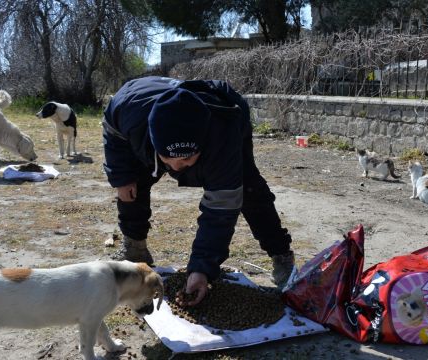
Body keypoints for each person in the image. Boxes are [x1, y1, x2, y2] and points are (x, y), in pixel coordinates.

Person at [102, 76, 295, 305]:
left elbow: (220, 210)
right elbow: (113, 134)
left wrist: (201, 269)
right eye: (168, 159)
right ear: (154, 143)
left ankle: (281, 256)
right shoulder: (128, 110)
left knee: (249, 191)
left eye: (186, 159)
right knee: (131, 182)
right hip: (140, 112)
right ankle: (134, 247)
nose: (176, 167)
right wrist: (121, 177)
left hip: (228, 114)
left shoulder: (223, 139)